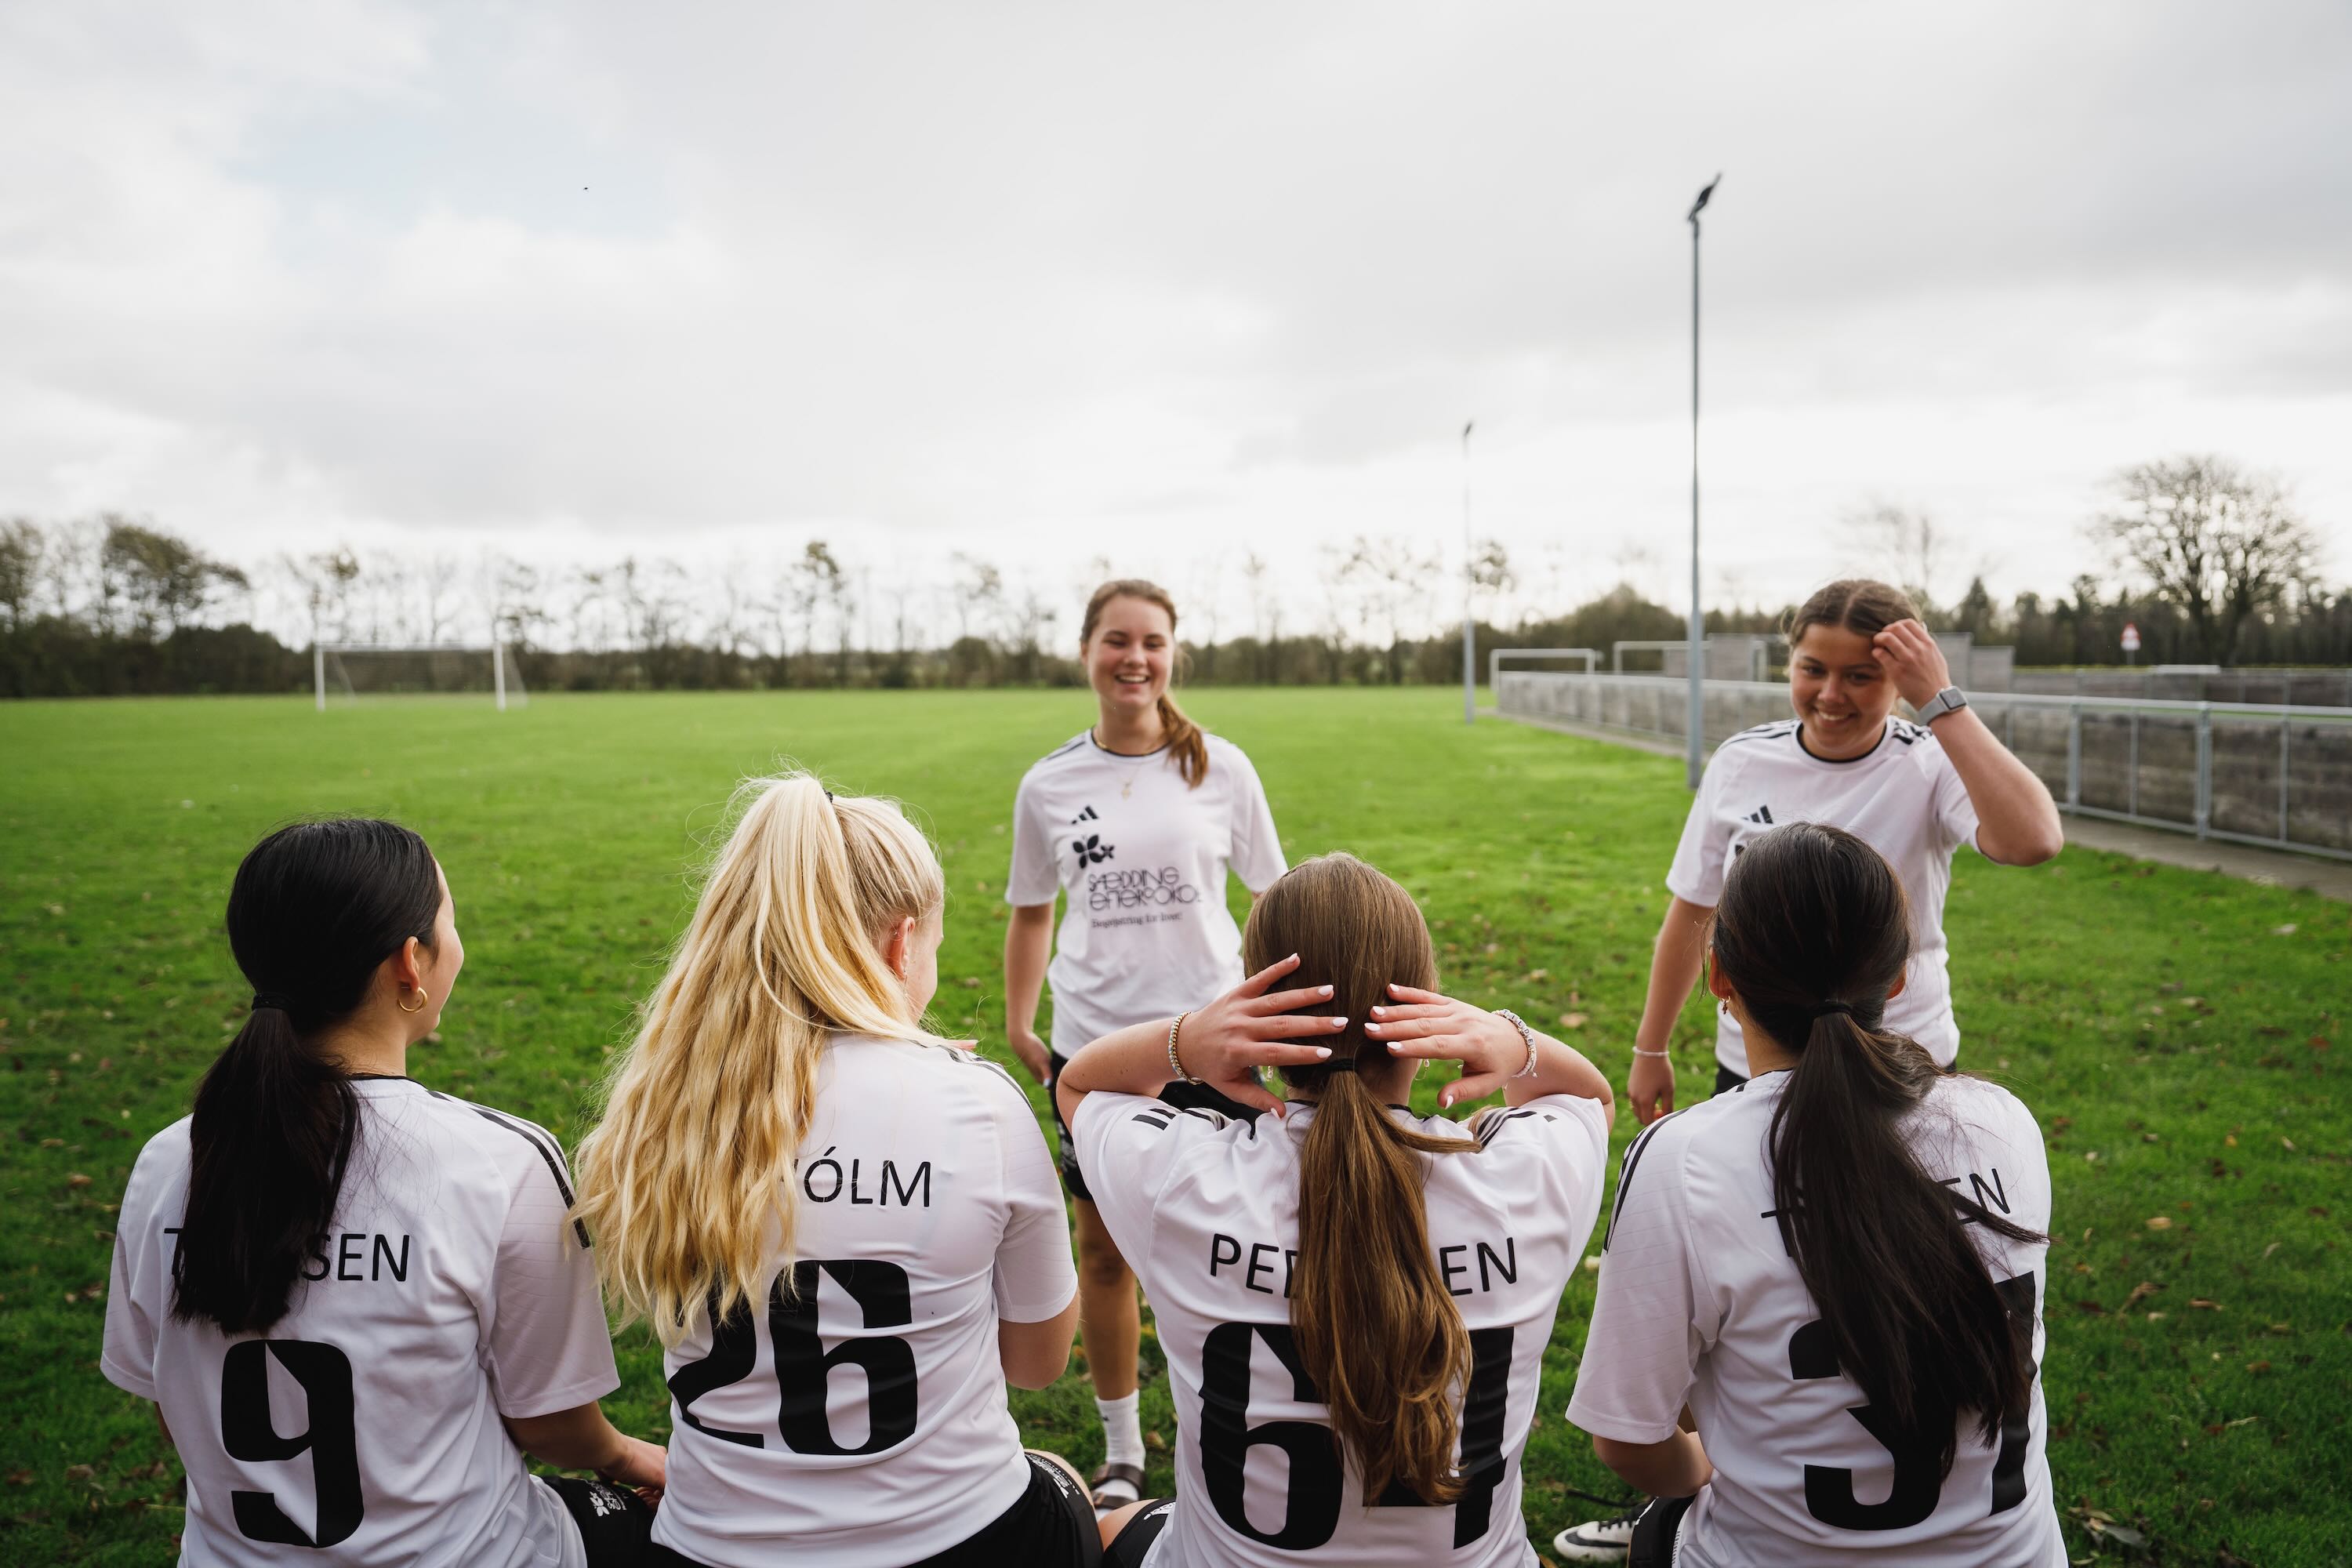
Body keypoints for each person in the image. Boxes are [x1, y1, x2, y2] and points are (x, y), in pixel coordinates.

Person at [1561, 580, 2063, 1561]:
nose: (1832, 694)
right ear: (1787, 664)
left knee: (1862, 1294)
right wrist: (1652, 1043)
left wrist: (1943, 700)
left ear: (1901, 675)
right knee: (1741, 1298)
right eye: (1813, 669)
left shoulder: (1927, 761)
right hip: (1750, 1072)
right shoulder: (1744, 758)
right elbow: (1691, 912)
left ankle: (1742, 1496)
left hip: (1902, 1080)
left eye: (1863, 675)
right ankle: (1710, 1488)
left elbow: (2031, 838)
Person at [102, 818, 666, 1568]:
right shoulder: (498, 1163)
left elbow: (175, 1409)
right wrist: (627, 1458)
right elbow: (552, 1424)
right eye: (450, 921)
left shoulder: (169, 1161)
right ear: (411, 963)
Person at [574, 775, 1094, 1568]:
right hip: (958, 1541)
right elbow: (1038, 1363)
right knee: (1064, 1480)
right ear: (902, 942)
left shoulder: (665, 1109)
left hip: (711, 1549)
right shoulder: (979, 1108)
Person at [1057, 851, 1618, 1567]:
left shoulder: (1184, 1182)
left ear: (1253, 1013)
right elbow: (1590, 1098)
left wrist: (1185, 1040)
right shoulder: (1523, 1182)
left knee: (1103, 1518)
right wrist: (1517, 1039)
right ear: (1430, 1007)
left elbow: (1080, 1085)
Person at [1004, 578, 1288, 1512]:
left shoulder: (1223, 769)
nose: (1136, 657)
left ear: (1173, 655)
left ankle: (1236, 1432)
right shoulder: (1048, 783)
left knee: (1233, 1247)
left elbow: (1274, 901)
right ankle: (1124, 1447)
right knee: (1103, 1257)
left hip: (1216, 1048)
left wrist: (1272, 1021)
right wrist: (1020, 1016)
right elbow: (1032, 911)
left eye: (1153, 642)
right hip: (1099, 1052)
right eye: (1117, 639)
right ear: (1086, 649)